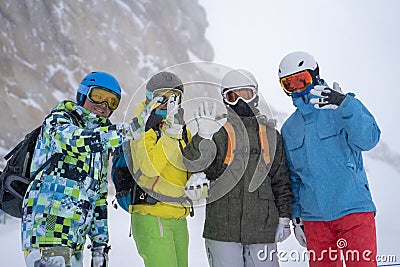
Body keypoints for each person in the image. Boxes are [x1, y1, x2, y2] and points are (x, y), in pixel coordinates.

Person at [21, 71, 137, 267]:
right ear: (83, 94)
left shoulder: (100, 145)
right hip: (48, 228)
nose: (103, 106)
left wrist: (100, 245)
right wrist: (131, 129)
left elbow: (98, 196)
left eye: (112, 102)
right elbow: (76, 141)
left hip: (76, 237)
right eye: (98, 96)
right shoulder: (59, 121)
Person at [278, 51, 381, 267]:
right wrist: (298, 217)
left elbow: (369, 140)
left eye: (301, 80)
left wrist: (345, 105)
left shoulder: (341, 108)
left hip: (353, 211)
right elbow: (295, 178)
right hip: (315, 220)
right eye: (289, 84)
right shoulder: (289, 129)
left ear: (315, 75)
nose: (297, 88)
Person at [183, 69, 293, 267]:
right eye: (233, 96)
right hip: (223, 229)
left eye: (246, 94)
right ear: (225, 100)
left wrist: (285, 217)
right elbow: (192, 165)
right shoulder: (218, 133)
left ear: (256, 96)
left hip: (262, 227)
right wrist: (203, 136)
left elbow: (281, 180)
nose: (241, 102)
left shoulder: (271, 136)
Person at [129, 71, 193, 267]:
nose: (167, 103)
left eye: (174, 97)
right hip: (152, 215)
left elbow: (189, 169)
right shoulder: (140, 127)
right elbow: (148, 168)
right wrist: (170, 136)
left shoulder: (181, 130)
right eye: (161, 97)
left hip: (178, 216)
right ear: (150, 98)